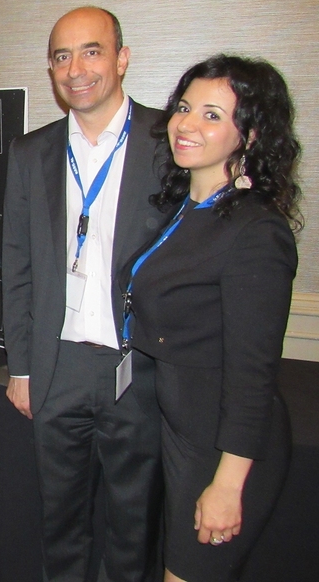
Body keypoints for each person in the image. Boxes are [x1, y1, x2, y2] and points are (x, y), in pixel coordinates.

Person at [1, 6, 167, 581]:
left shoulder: (171, 143)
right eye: (61, 56)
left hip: (140, 369)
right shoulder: (30, 153)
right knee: (62, 524)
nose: (76, 69)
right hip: (57, 366)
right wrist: (20, 366)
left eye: (91, 51)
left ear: (122, 58)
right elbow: (17, 266)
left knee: (135, 527)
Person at [127, 54, 300, 582]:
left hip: (221, 446)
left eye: (212, 115)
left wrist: (227, 485)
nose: (186, 124)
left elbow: (253, 374)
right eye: (184, 108)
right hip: (179, 428)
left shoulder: (256, 231)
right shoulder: (187, 207)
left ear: (249, 135)